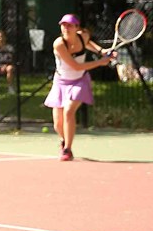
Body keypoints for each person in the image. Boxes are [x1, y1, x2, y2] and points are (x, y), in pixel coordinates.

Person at [44, 14, 115, 161]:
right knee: (58, 124)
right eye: (63, 25)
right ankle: (65, 141)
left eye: (69, 25)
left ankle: (67, 150)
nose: (66, 28)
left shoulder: (83, 35)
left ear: (77, 28)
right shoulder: (59, 44)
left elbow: (88, 42)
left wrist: (101, 51)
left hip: (79, 81)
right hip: (61, 82)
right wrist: (101, 62)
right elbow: (76, 66)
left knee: (69, 111)